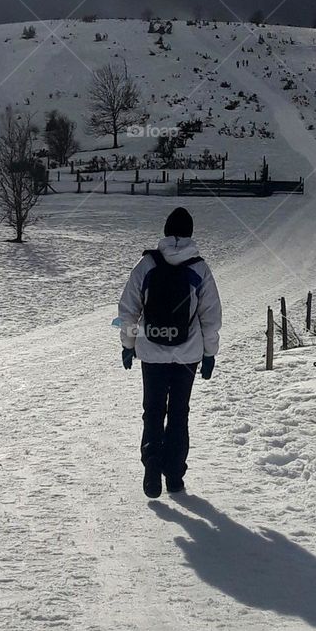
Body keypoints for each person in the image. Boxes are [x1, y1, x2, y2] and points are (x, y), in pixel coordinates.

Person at [118, 206, 222, 498]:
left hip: (151, 352)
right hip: (188, 355)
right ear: (191, 233)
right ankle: (174, 476)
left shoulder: (147, 264)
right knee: (179, 412)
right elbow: (210, 317)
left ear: (165, 231)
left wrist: (128, 345)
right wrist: (209, 353)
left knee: (152, 410)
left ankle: (152, 462)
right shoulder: (199, 268)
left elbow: (128, 310)